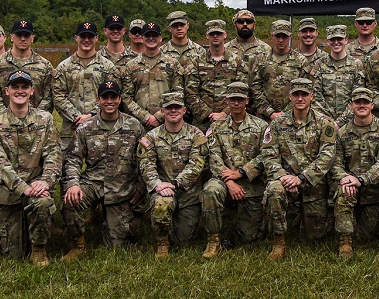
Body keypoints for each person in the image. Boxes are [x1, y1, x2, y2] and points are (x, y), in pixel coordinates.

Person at [0, 70, 61, 266]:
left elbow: (54, 154)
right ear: (7, 91)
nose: (20, 91)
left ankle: (39, 249)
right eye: (15, 87)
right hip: (6, 193)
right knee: (13, 255)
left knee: (42, 205)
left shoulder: (45, 119)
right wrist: (22, 188)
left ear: (32, 91)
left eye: (24, 87)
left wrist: (45, 181)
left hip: (36, 189)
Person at [60, 81, 146, 260]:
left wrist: (140, 186)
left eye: (113, 97)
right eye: (105, 97)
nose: (109, 101)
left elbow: (145, 159)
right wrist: (73, 184)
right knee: (70, 201)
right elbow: (73, 158)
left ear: (119, 99)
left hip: (120, 187)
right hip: (93, 183)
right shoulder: (85, 127)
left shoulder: (134, 126)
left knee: (117, 246)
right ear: (97, 100)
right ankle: (78, 244)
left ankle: (115, 221)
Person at [261, 78, 337, 260]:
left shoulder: (325, 123)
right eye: (296, 94)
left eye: (304, 94)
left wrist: (301, 178)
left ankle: (300, 218)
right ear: (290, 97)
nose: (300, 98)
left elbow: (327, 156)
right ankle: (278, 241)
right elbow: (268, 154)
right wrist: (284, 177)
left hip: (313, 184)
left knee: (314, 236)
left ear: (312, 96)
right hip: (285, 182)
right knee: (274, 191)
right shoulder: (277, 124)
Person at [200, 82, 269, 258]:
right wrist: (229, 181)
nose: (236, 103)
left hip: (250, 181)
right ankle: (213, 241)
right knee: (211, 191)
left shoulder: (261, 126)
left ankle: (253, 225)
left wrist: (242, 172)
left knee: (249, 237)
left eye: (240, 99)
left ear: (247, 100)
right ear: (227, 101)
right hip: (222, 178)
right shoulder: (217, 126)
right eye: (232, 100)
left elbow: (266, 155)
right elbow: (212, 156)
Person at [138, 91, 208, 258]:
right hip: (163, 191)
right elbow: (146, 164)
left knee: (183, 239)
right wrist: (157, 185)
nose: (173, 111)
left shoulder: (196, 135)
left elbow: (197, 164)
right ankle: (162, 243)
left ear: (184, 110)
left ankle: (177, 223)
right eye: (169, 108)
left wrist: (175, 184)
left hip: (188, 194)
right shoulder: (151, 137)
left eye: (177, 107)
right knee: (162, 205)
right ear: (162, 111)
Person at [330, 87, 379, 258]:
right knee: (344, 192)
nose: (361, 105)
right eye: (357, 102)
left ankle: (358, 222)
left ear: (372, 105)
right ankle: (345, 243)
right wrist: (346, 178)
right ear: (351, 105)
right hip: (348, 186)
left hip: (371, 190)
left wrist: (361, 180)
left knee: (367, 236)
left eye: (365, 102)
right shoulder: (342, 133)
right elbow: (335, 163)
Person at [54, 21, 121, 147]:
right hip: (71, 127)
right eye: (82, 36)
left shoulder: (107, 66)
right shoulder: (64, 66)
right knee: (69, 164)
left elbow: (112, 97)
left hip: (101, 126)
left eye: (90, 36)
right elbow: (58, 96)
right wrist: (77, 116)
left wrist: (92, 115)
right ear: (76, 38)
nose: (86, 40)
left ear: (96, 38)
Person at [0, 19, 57, 116]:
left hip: (37, 124)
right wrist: (6, 118)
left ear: (32, 38)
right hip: (4, 124)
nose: (23, 38)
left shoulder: (45, 65)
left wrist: (36, 118)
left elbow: (48, 98)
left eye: (26, 35)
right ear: (12, 37)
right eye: (19, 35)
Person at [123, 21, 184, 130]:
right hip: (138, 124)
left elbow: (179, 92)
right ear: (142, 38)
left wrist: (159, 116)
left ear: (160, 38)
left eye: (154, 35)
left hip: (167, 123)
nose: (151, 38)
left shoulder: (173, 64)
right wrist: (145, 116)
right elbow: (126, 97)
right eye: (147, 35)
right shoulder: (131, 66)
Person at [251, 20, 314, 121]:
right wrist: (269, 112)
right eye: (278, 36)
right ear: (272, 36)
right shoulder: (261, 59)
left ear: (290, 36)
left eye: (284, 36)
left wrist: (287, 113)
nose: (281, 40)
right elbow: (255, 88)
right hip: (264, 117)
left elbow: (306, 90)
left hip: (292, 117)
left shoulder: (301, 61)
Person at [186, 20, 243, 130]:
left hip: (230, 120)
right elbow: (190, 93)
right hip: (202, 122)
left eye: (219, 33)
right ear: (207, 36)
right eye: (212, 34)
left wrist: (224, 113)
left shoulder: (237, 61)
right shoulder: (196, 62)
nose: (215, 36)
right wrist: (208, 114)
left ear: (225, 35)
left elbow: (242, 91)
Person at [310, 25, 365, 126]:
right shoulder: (319, 64)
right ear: (328, 41)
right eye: (332, 39)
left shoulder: (356, 65)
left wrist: (340, 122)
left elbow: (358, 97)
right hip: (323, 122)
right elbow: (315, 96)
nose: (336, 42)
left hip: (351, 122)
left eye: (339, 38)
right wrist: (328, 121)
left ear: (346, 40)